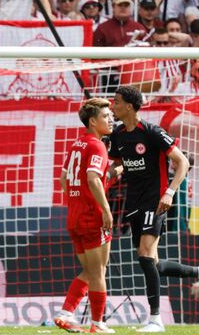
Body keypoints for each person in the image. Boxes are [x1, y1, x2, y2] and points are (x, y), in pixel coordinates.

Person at [108, 86, 199, 332]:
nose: (112, 106)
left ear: (130, 106)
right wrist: (107, 173)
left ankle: (155, 320)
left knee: (145, 255)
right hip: (133, 201)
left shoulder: (152, 132)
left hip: (155, 200)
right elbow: (120, 164)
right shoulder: (118, 134)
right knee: (151, 262)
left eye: (116, 102)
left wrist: (169, 192)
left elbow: (183, 162)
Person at [54, 98, 115, 334]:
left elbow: (63, 180)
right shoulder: (98, 146)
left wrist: (79, 199)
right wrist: (106, 210)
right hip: (93, 217)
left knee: (91, 271)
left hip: (74, 216)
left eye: (111, 115)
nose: (110, 119)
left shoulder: (77, 143)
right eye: (105, 116)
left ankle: (66, 313)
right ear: (92, 121)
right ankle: (98, 324)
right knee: (99, 271)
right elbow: (92, 178)